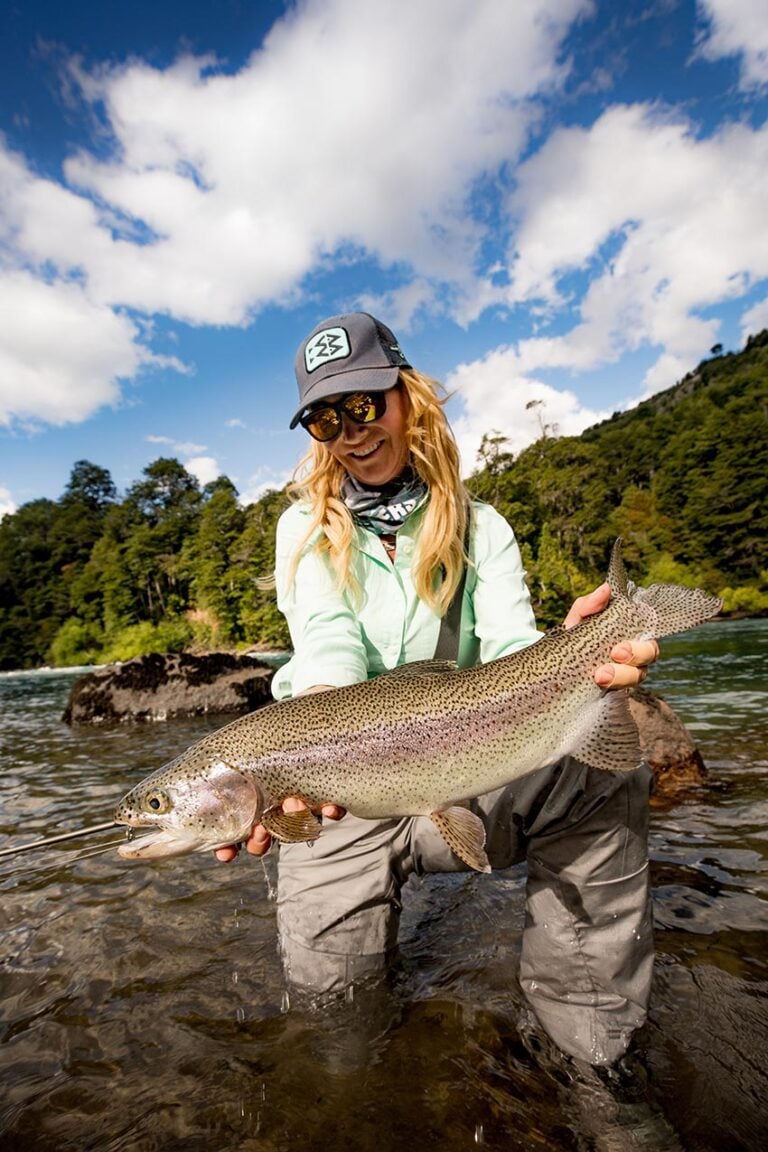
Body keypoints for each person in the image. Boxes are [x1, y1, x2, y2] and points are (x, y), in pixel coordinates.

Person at [217, 312, 659, 1067]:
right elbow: (328, 650)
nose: (350, 431)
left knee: (606, 776)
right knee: (336, 1024)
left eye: (363, 405)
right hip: (339, 794)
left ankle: (595, 1059)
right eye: (327, 418)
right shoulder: (304, 528)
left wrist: (579, 654)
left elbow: (516, 649)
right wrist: (288, 761)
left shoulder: (483, 528)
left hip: (468, 769)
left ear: (407, 395)